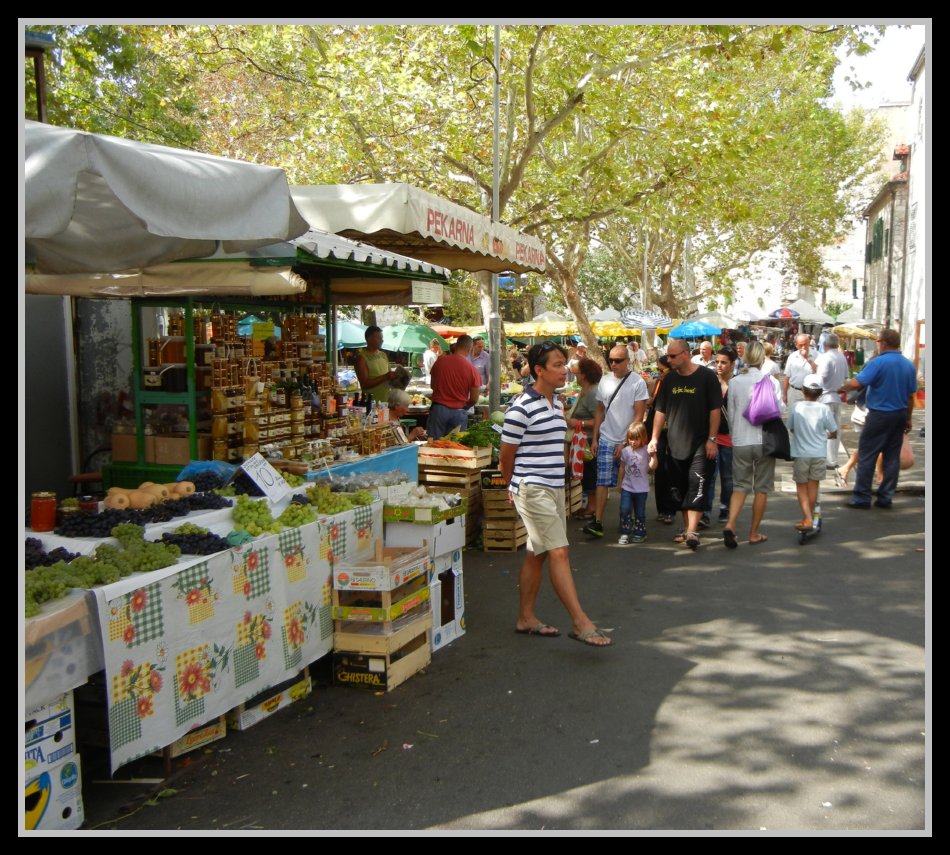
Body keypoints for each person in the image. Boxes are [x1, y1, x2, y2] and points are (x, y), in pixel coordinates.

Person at [500, 342, 612, 647]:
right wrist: (513, 486)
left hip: (553, 488)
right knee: (559, 551)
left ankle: (526, 617)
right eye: (558, 365)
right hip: (532, 488)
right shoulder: (520, 408)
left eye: (565, 364)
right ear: (539, 370)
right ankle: (580, 621)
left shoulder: (557, 404)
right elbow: (505, 457)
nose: (565, 371)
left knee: (537, 554)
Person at [647, 338, 723, 551]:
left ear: (686, 354)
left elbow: (715, 410)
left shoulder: (707, 377)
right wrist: (654, 438)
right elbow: (660, 411)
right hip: (675, 444)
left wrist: (712, 439)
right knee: (680, 489)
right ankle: (687, 528)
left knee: (697, 483)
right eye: (668, 356)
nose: (668, 360)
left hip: (701, 443)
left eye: (672, 356)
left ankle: (692, 530)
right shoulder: (669, 380)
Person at [839, 328, 917, 509]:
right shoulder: (908, 365)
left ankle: (862, 497)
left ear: (884, 343)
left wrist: (841, 388)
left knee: (867, 455)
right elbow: (910, 397)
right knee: (892, 457)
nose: (877, 344)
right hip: (899, 414)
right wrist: (908, 418)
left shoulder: (878, 362)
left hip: (879, 414)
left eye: (878, 341)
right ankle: (885, 497)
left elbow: (857, 383)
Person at [583, 344, 650, 538]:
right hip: (606, 438)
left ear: (628, 360)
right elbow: (599, 411)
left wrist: (626, 442)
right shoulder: (605, 381)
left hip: (630, 442)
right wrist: (595, 438)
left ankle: (630, 519)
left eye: (618, 360)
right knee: (602, 481)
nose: (613, 364)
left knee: (630, 482)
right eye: (610, 360)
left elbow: (639, 415)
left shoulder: (637, 382)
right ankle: (598, 522)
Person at [722, 340, 784, 547]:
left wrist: (734, 436)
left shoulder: (735, 382)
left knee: (740, 486)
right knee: (761, 489)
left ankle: (730, 523)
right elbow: (779, 410)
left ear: (745, 357)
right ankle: (754, 533)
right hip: (764, 441)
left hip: (741, 440)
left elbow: (731, 414)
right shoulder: (770, 382)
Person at [788, 374, 838, 530]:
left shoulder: (796, 407)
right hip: (819, 454)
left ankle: (807, 519)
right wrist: (826, 435)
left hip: (801, 454)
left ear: (803, 390)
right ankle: (808, 518)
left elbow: (791, 427)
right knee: (813, 486)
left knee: (801, 486)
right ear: (821, 393)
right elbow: (833, 431)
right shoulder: (824, 409)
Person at [565, 357, 602, 520]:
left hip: (588, 440)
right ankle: (590, 505)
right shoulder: (586, 391)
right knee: (586, 473)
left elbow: (600, 419)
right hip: (582, 440)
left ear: (584, 375)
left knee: (590, 474)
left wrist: (578, 422)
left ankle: (592, 506)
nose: (575, 376)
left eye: (577, 373)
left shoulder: (592, 393)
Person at [427, 334, 482, 440]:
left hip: (439, 410)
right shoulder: (472, 369)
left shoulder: (440, 362)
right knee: (456, 446)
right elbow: (474, 398)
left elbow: (433, 386)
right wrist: (465, 405)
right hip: (459, 411)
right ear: (470, 349)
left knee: (434, 445)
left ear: (456, 346)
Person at [705, 347, 736, 524]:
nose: (719, 365)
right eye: (716, 362)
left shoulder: (736, 384)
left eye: (723, 362)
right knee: (709, 477)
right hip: (712, 438)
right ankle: (705, 512)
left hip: (730, 439)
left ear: (732, 364)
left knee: (728, 478)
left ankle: (725, 508)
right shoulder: (710, 383)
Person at [646, 355, 678, 525]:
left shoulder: (676, 385)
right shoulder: (657, 383)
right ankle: (662, 509)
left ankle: (671, 509)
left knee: (671, 470)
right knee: (659, 470)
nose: (658, 373)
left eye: (661, 370)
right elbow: (652, 405)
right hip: (657, 432)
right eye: (657, 370)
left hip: (673, 432)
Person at [814, 333, 850, 468]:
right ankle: (832, 459)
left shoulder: (826, 357)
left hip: (825, 396)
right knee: (835, 429)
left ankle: (827, 459)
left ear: (825, 345)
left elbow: (821, 377)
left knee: (825, 429)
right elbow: (845, 377)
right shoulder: (841, 357)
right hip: (836, 396)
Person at [617, 422, 655, 545]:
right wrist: (619, 483)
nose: (633, 442)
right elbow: (622, 467)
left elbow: (653, 467)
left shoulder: (646, 450)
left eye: (636, 439)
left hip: (641, 489)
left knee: (640, 513)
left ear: (643, 438)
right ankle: (625, 532)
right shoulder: (625, 451)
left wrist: (653, 456)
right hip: (627, 487)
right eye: (631, 438)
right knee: (624, 509)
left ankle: (640, 532)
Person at [354, 325, 396, 404]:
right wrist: (385, 377)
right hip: (371, 403)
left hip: (386, 402)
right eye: (379, 338)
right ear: (369, 339)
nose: (382, 341)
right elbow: (364, 384)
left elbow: (389, 376)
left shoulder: (383, 355)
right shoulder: (361, 358)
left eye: (382, 338)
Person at [783, 333, 817, 410]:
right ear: (796, 345)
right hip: (794, 392)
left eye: (805, 344)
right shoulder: (792, 356)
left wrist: (807, 358)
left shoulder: (816, 355)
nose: (803, 347)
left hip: (811, 394)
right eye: (801, 345)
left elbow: (819, 371)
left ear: (809, 343)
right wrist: (784, 394)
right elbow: (787, 376)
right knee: (793, 415)